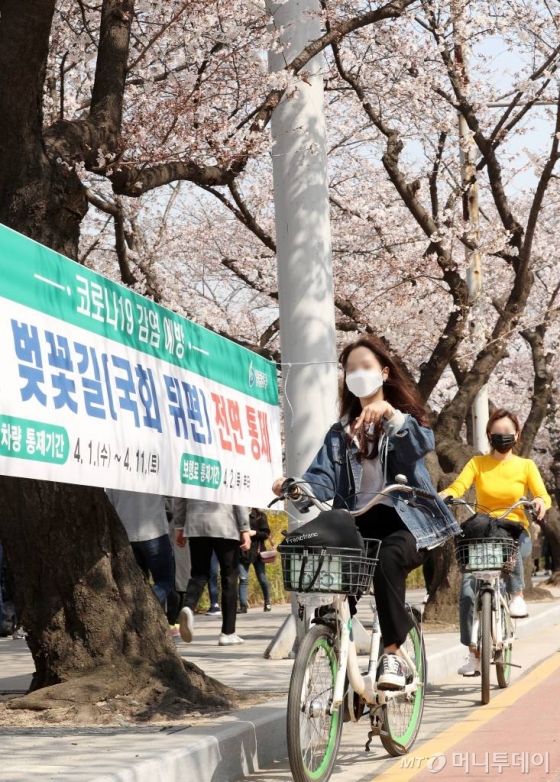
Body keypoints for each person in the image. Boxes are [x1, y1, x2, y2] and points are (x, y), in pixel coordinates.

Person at [272, 336, 461, 690]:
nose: (357, 374)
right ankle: (335, 653)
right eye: (351, 369)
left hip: (408, 523)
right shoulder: (340, 433)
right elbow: (321, 480)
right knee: (333, 585)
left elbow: (419, 446)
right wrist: (295, 487)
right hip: (358, 525)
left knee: (388, 559)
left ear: (384, 373)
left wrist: (390, 414)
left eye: (366, 366)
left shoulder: (405, 421)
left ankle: (392, 653)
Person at [440, 408, 551, 676]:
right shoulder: (477, 463)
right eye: (497, 432)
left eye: (507, 432)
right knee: (467, 592)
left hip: (514, 531)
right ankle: (473, 653)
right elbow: (459, 486)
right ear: (489, 435)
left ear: (517, 435)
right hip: (484, 533)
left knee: (511, 546)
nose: (502, 436)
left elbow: (542, 495)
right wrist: (447, 494)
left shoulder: (526, 466)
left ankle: (516, 595)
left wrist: (539, 501)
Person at [174, 500, 251, 646]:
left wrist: (180, 526)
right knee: (229, 578)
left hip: (196, 525)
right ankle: (228, 633)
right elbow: (237, 496)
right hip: (225, 524)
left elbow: (180, 498)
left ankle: (189, 606)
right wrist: (244, 528)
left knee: (198, 573)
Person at [106, 489, 175, 606]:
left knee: (137, 584)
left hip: (126, 534)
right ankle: (146, 607)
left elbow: (109, 501)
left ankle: (141, 608)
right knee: (166, 581)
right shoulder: (157, 476)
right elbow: (169, 497)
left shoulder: (115, 477)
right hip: (155, 531)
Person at [238, 508, 272, 613]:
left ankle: (267, 602)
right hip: (242, 553)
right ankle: (243, 606)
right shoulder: (237, 514)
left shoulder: (260, 515)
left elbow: (266, 534)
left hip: (257, 553)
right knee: (243, 579)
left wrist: (254, 533)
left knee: (262, 579)